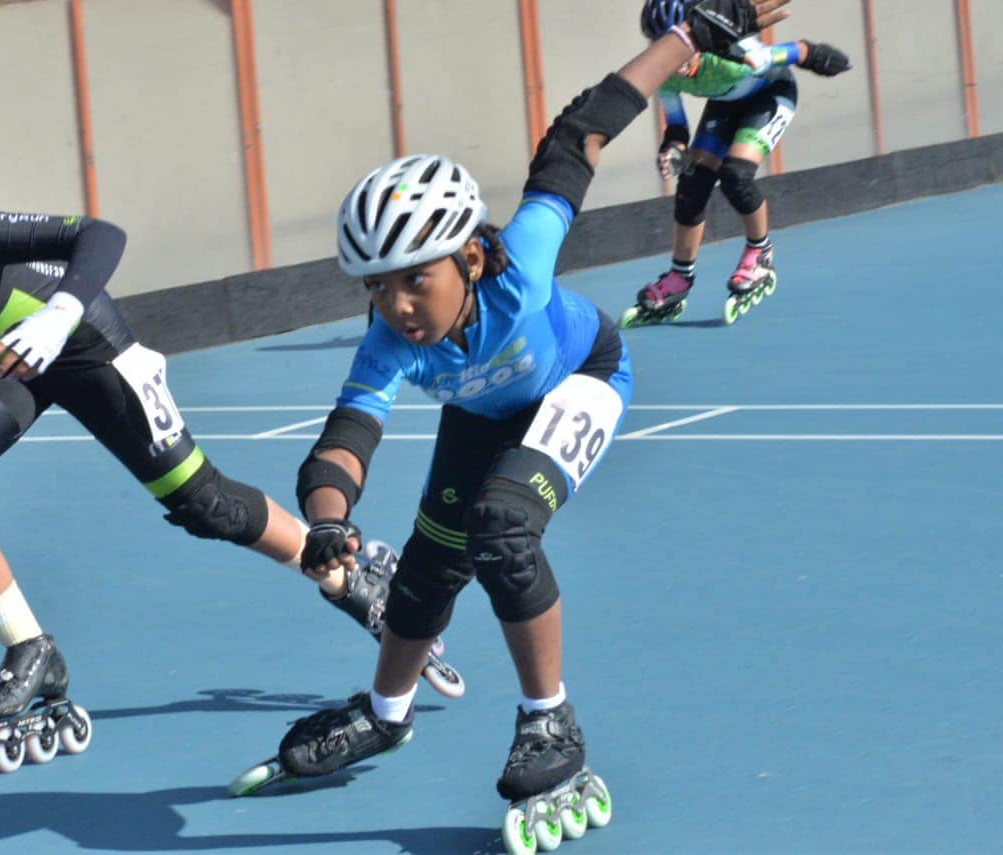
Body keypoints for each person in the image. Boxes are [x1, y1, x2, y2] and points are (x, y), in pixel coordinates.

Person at [241, 0, 794, 827]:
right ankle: (386, 717)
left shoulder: (519, 266)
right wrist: (329, 521)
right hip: (489, 412)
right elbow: (343, 443)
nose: (395, 305)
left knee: (502, 527)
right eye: (376, 287)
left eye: (412, 280)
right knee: (429, 569)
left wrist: (682, 40)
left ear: (468, 254)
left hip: (584, 376)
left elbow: (578, 136)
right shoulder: (388, 342)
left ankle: (549, 718)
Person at [0, 102, 428, 777]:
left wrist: (59, 314)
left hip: (81, 344)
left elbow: (99, 234)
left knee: (203, 504)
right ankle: (31, 650)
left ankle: (341, 574)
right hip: (1, 359)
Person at [622, 0, 850, 326]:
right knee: (691, 182)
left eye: (677, 46)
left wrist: (820, 57)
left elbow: (798, 50)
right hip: (725, 103)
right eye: (661, 47)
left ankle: (760, 254)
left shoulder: (734, 56)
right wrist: (673, 149)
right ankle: (679, 277)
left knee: (735, 175)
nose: (671, 59)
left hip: (770, 93)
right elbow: (676, 126)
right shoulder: (664, 77)